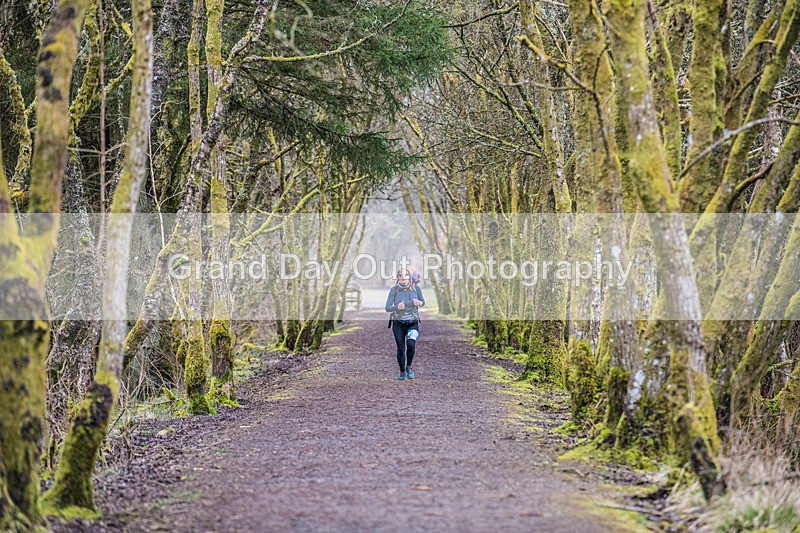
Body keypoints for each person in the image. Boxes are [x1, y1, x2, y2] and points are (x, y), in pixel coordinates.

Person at [385, 268, 425, 380]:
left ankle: (409, 367)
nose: (404, 280)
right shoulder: (394, 290)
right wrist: (396, 307)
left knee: (411, 345)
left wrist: (420, 303)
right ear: (398, 278)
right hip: (398, 324)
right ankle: (402, 371)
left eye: (406, 277)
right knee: (401, 347)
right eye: (401, 278)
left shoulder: (416, 289)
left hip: (413, 322)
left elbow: (423, 302)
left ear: (409, 277)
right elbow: (387, 308)